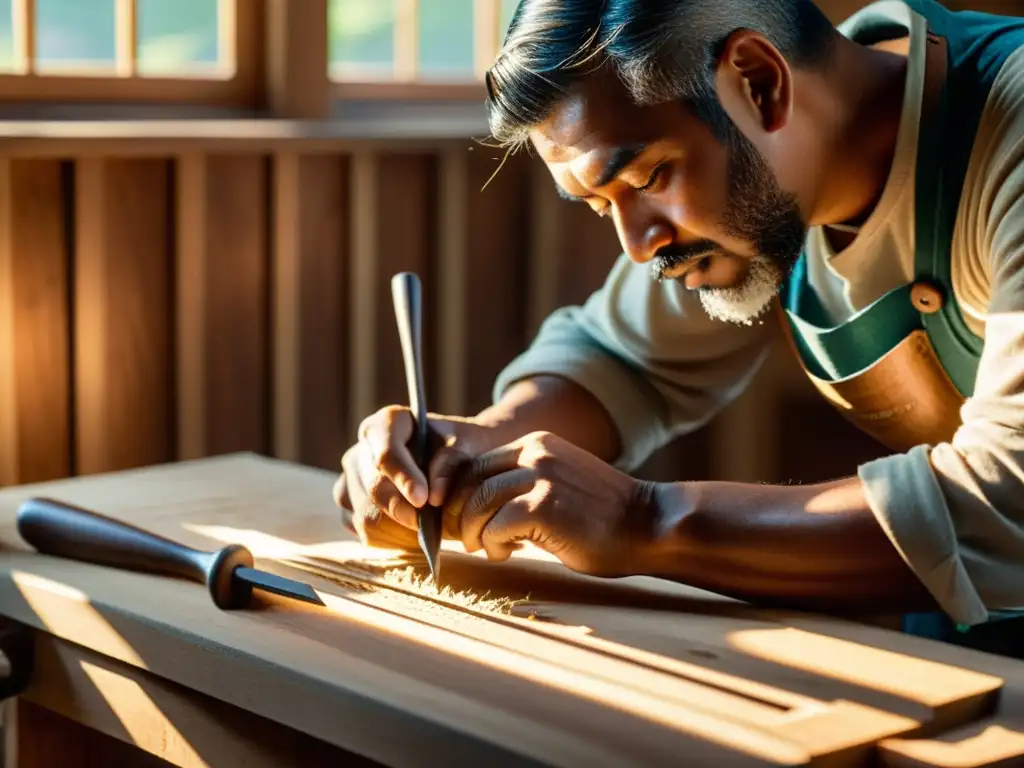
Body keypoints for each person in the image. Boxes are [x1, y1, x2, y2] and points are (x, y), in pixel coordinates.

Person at [334, 0, 1024, 657]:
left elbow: (1009, 496)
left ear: (758, 83)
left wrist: (645, 522)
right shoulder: (768, 170)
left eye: (649, 174)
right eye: (602, 205)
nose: (637, 245)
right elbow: (620, 360)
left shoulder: (1008, 128)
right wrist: (477, 451)